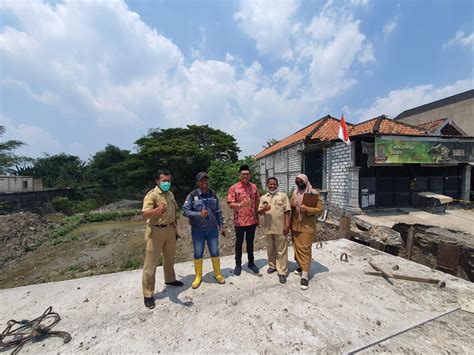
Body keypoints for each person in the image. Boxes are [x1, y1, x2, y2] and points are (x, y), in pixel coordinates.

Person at [141, 169, 183, 309]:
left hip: (170, 230)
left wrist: (176, 230)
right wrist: (156, 211)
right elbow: (145, 215)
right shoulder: (151, 195)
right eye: (164, 181)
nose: (167, 183)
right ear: (157, 181)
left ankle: (170, 280)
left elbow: (173, 213)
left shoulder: (170, 193)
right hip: (156, 231)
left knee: (169, 258)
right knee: (151, 264)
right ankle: (148, 294)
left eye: (169, 181)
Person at [182, 172, 226, 289]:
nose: (204, 182)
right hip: (198, 231)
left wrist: (221, 226)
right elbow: (185, 211)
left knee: (215, 252)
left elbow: (218, 211)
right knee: (198, 253)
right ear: (197, 182)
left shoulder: (213, 193)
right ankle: (198, 277)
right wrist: (199, 214)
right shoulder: (192, 195)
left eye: (206, 179)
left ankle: (217, 274)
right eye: (202, 180)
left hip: (212, 230)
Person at [290, 174, 323, 290]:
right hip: (295, 225)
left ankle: (305, 275)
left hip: (307, 226)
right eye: (297, 181)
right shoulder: (294, 193)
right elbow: (290, 205)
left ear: (306, 181)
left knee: (305, 249)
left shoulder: (314, 193)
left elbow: (320, 209)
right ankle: (301, 265)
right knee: (297, 247)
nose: (299, 182)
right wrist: (293, 204)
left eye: (301, 181)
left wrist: (307, 209)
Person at [227, 164, 260, 275]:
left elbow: (256, 203)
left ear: (249, 175)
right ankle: (238, 264)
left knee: (250, 243)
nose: (245, 176)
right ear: (239, 175)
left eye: (247, 174)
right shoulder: (234, 188)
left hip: (252, 220)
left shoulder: (254, 187)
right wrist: (241, 204)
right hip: (239, 221)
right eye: (243, 174)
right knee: (239, 243)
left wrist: (257, 217)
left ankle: (251, 263)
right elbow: (230, 204)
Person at [258, 177, 291, 284]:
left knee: (281, 250)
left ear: (277, 185)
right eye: (270, 184)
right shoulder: (263, 197)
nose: (272, 186)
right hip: (268, 228)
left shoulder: (283, 196)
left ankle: (282, 272)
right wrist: (264, 209)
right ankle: (272, 265)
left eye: (274, 184)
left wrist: (287, 225)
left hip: (280, 228)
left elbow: (287, 212)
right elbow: (260, 212)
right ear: (267, 185)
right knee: (270, 248)